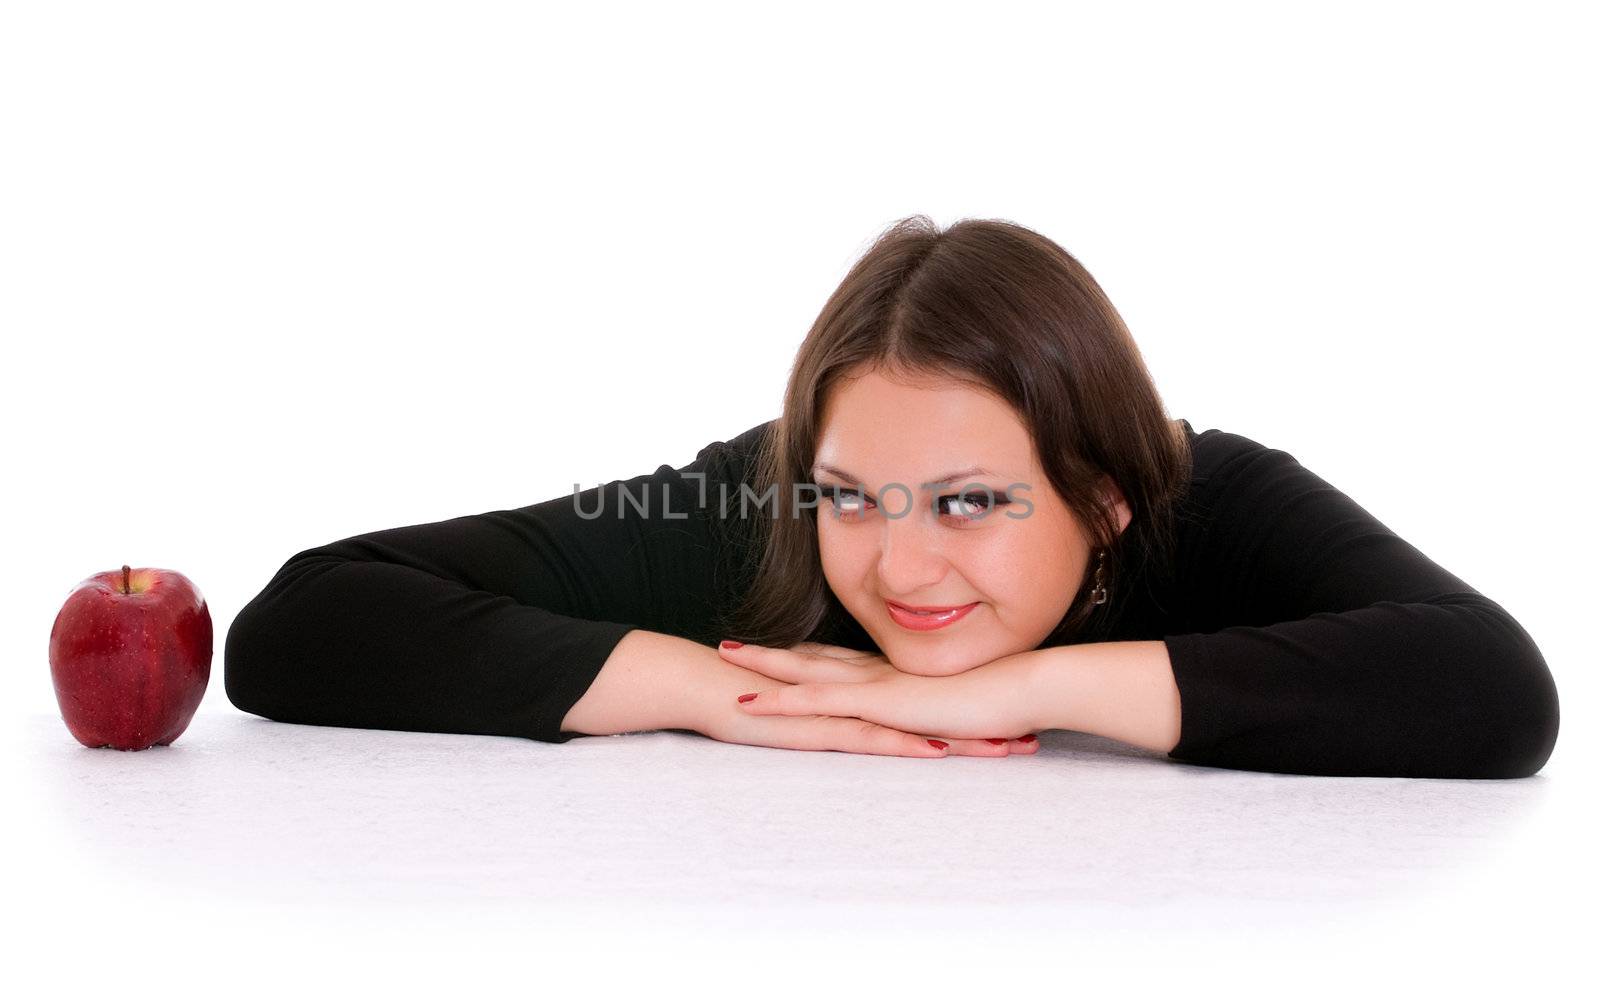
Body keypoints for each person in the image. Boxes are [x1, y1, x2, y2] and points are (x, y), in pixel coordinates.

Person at [223, 216, 1559, 777]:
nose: (900, 564)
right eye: (854, 494)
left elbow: (1494, 686)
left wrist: (1015, 691)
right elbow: (303, 620)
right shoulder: (759, 510)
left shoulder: (1208, 498)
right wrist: (712, 693)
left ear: (1101, 498)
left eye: (972, 502)